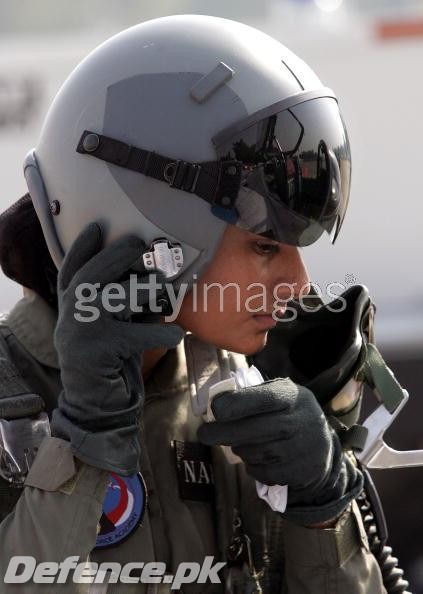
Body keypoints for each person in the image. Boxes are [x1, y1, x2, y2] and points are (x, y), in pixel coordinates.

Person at [0, 15, 387, 594]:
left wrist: (322, 507)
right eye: (263, 246)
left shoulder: (241, 405)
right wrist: (82, 445)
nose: (298, 284)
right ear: (146, 233)